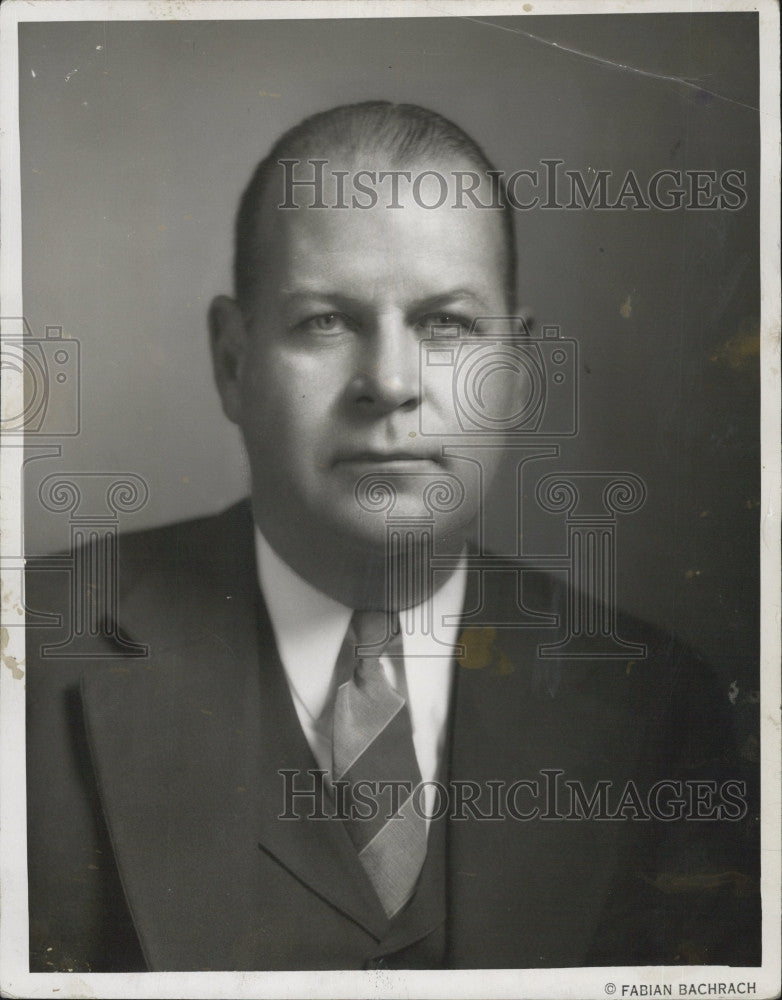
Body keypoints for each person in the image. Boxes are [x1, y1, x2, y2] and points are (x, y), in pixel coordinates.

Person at [25, 102, 759, 972]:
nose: (388, 383)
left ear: (516, 372)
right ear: (233, 361)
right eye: (325, 322)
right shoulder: (33, 652)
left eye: (445, 324)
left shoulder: (663, 708)